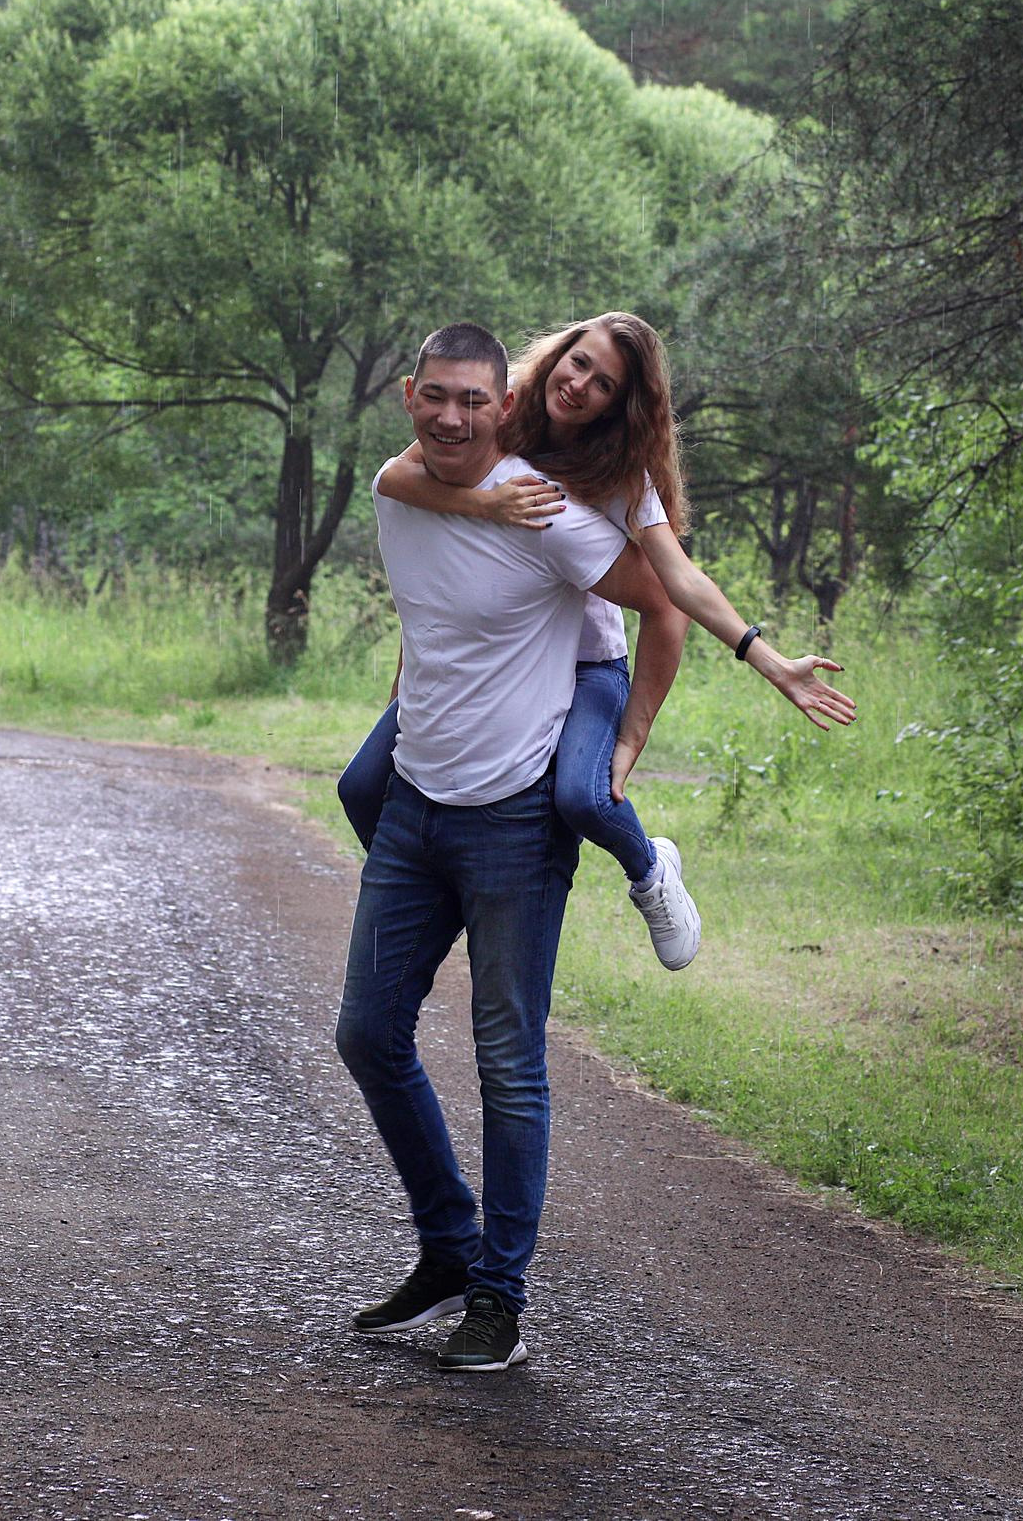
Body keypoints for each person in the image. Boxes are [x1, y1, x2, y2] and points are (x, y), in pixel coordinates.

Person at [336, 321, 684, 1373]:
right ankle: (449, 1243)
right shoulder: (400, 488)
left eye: (470, 401)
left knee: (508, 1062)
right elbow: (418, 508)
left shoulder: (560, 512)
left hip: (515, 815)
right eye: (434, 396)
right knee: (366, 1033)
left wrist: (656, 716)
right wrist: (470, 497)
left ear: (498, 406)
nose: (450, 414)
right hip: (415, 808)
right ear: (409, 396)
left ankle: (499, 1295)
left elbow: (667, 597)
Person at [335, 311, 855, 974]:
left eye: (604, 383)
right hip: (488, 654)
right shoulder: (499, 404)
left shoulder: (622, 477)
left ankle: (651, 868)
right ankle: (431, 896)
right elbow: (398, 478)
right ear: (558, 354)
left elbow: (678, 588)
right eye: (579, 361)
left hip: (586, 666)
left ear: (621, 405)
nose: (581, 384)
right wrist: (487, 505)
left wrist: (757, 662)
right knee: (361, 785)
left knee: (584, 795)